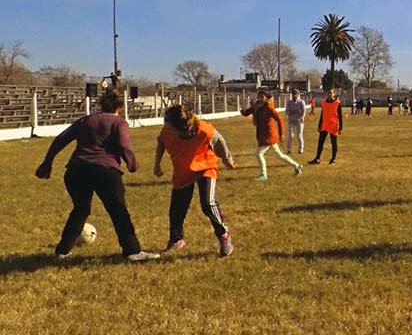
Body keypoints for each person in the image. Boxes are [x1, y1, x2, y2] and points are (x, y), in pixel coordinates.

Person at [35, 91, 160, 262]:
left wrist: (47, 162)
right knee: (118, 211)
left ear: (101, 105)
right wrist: (131, 162)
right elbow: (124, 143)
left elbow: (61, 139)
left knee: (80, 209)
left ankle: (62, 251)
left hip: (76, 170)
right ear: (120, 108)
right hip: (105, 171)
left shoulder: (86, 120)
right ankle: (132, 251)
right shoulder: (118, 122)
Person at [154, 105, 236, 257]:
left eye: (169, 126)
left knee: (207, 203)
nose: (166, 128)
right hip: (183, 169)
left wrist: (227, 158)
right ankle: (176, 240)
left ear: (179, 129)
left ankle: (224, 235)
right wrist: (157, 163)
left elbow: (219, 141)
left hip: (206, 166)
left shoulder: (203, 129)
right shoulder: (167, 130)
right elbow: (161, 143)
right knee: (176, 209)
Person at [240, 91, 303, 180]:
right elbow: (247, 112)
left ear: (266, 98)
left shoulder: (269, 107)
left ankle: (263, 175)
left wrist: (281, 134)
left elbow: (279, 119)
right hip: (262, 134)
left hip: (269, 135)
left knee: (259, 153)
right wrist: (242, 111)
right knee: (279, 155)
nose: (260, 98)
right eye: (259, 96)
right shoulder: (256, 105)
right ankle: (296, 166)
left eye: (262, 96)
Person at [309, 89, 343, 165]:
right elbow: (322, 115)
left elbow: (340, 116)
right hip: (324, 125)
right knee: (320, 142)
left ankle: (333, 159)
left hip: (333, 125)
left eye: (331, 93)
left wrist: (341, 128)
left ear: (334, 94)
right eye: (328, 93)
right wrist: (319, 125)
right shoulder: (324, 103)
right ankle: (317, 159)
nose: (329, 94)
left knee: (334, 143)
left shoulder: (337, 103)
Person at [285, 89, 306, 154]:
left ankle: (301, 149)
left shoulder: (301, 102)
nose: (294, 95)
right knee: (290, 135)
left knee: (299, 135)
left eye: (296, 94)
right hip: (291, 121)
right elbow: (287, 111)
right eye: (293, 94)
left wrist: (302, 117)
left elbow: (304, 111)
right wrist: (291, 112)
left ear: (298, 95)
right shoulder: (289, 102)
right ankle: (289, 149)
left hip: (299, 121)